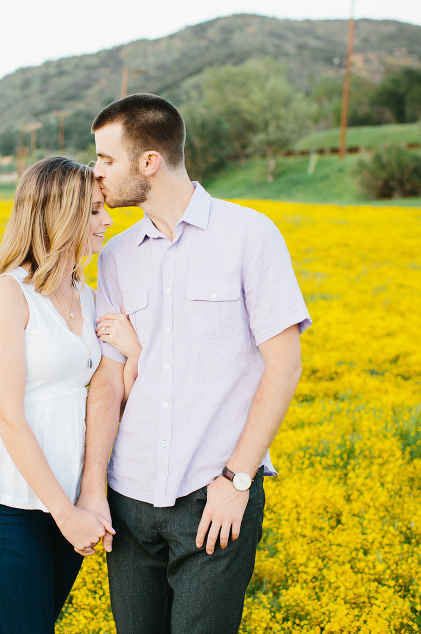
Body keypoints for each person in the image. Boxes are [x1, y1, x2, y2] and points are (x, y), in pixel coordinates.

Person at [76, 94, 312, 634]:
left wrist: (237, 479)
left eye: (106, 159)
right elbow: (109, 381)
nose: (96, 172)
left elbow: (284, 364)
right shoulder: (115, 256)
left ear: (149, 162)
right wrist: (95, 489)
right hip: (129, 499)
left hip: (212, 497)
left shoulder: (250, 235)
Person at [0, 156, 139, 633]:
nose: (108, 220)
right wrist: (64, 513)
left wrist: (135, 353)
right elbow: (7, 416)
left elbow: (107, 395)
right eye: (96, 211)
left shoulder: (85, 293)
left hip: (74, 495)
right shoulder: (6, 295)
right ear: (61, 215)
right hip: (14, 503)